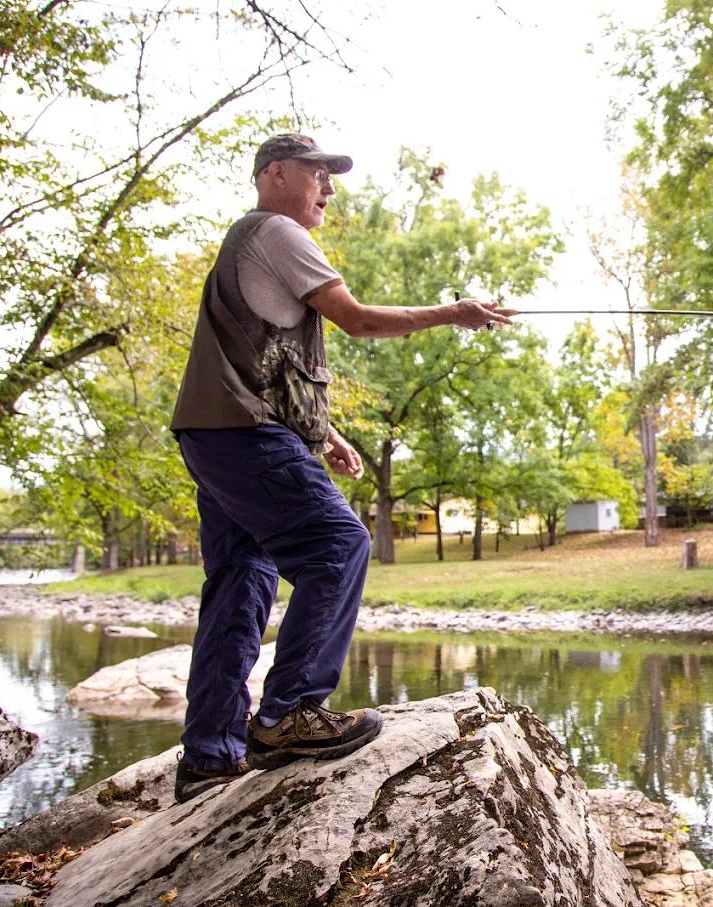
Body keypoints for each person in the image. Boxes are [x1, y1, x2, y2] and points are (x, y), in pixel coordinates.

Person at [168, 133, 512, 803]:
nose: (328, 187)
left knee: (241, 580)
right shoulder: (279, 232)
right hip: (244, 435)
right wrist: (455, 313)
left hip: (212, 434)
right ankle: (290, 713)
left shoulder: (251, 242)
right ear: (274, 174)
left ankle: (209, 755)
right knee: (338, 543)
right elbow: (357, 320)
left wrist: (323, 434)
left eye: (331, 176)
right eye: (317, 173)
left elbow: (258, 359)